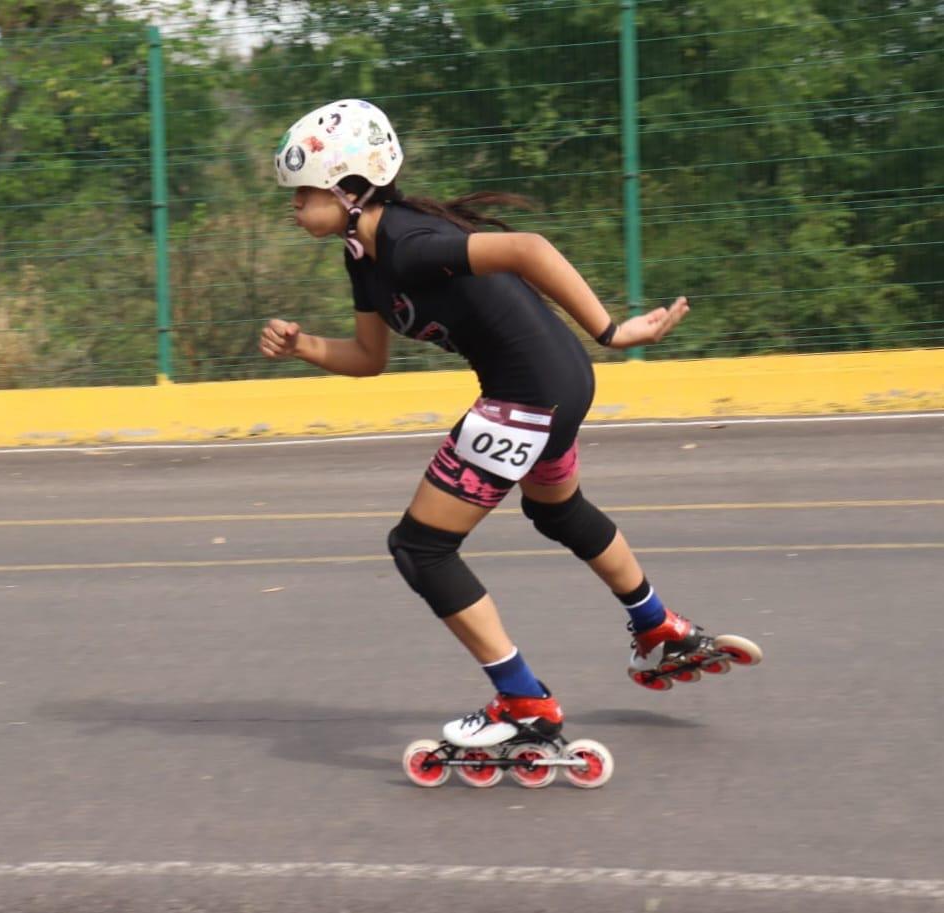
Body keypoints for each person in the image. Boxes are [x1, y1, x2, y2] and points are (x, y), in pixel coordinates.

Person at [260, 99, 756, 752]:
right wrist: (303, 348)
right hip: (555, 388)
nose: (293, 208)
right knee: (556, 510)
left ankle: (526, 703)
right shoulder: (363, 255)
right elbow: (369, 359)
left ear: (351, 189)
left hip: (532, 397)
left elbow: (528, 248)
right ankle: (658, 628)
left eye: (303, 194)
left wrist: (611, 331)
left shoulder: (408, 244)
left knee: (421, 548)